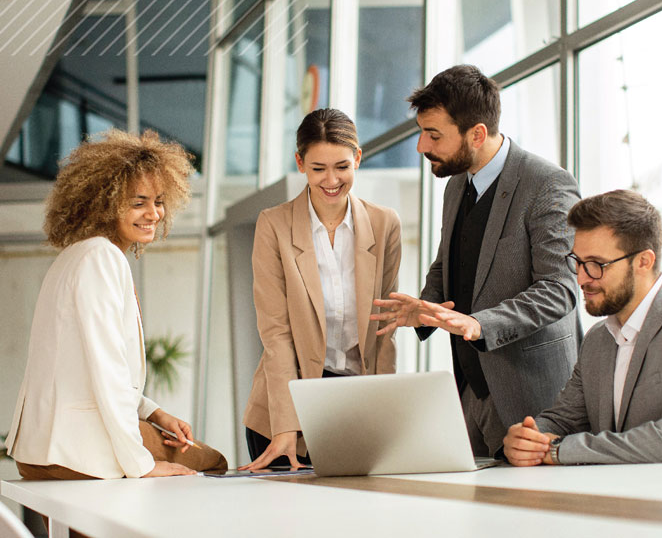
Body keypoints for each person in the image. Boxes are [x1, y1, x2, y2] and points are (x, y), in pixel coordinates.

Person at [372, 64, 582, 458]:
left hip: (534, 398)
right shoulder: (456, 184)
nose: (421, 146)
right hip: (470, 390)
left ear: (478, 133)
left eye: (433, 135)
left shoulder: (547, 184)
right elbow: (448, 261)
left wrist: (479, 323)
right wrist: (424, 306)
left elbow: (560, 289)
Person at [6, 129, 227, 481]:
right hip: (76, 450)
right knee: (212, 462)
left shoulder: (73, 257)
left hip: (39, 451)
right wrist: (143, 465)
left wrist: (154, 414)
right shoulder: (101, 258)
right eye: (138, 202)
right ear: (104, 202)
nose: (153, 213)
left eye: (158, 200)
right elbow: (106, 370)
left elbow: (84, 369)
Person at [503, 189, 662, 466]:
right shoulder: (598, 338)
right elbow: (564, 419)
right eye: (578, 262)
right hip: (626, 499)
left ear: (643, 261)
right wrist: (529, 438)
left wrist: (560, 450)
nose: (582, 278)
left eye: (596, 264)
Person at [240, 108, 402, 470]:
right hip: (286, 408)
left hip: (356, 404)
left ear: (358, 158)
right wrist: (286, 425)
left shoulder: (384, 223)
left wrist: (385, 414)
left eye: (342, 167)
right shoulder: (274, 226)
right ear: (300, 163)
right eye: (318, 169)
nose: (332, 180)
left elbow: (384, 328)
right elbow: (276, 333)